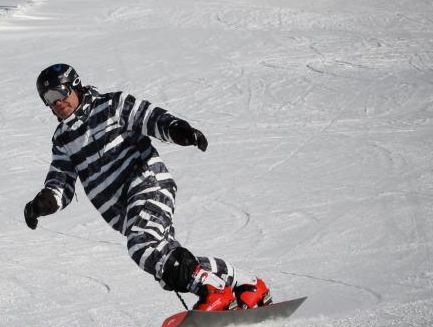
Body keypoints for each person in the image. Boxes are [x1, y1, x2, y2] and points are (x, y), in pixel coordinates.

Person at [24, 64, 272, 311]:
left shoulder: (112, 106)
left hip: (147, 184)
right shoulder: (62, 139)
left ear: (75, 86)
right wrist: (43, 203)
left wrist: (178, 130)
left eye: (60, 93)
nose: (57, 102)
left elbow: (150, 118)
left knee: (142, 245)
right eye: (49, 99)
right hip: (123, 213)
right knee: (164, 260)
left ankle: (212, 290)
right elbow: (61, 180)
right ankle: (247, 285)